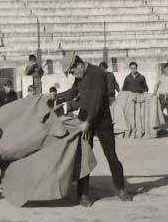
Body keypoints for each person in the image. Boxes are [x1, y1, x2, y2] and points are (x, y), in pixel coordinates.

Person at [55, 52, 132, 206]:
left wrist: (88, 122)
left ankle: (121, 188)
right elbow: (73, 92)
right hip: (85, 117)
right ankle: (83, 194)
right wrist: (55, 97)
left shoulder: (98, 73)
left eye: (72, 71)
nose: (72, 75)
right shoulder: (80, 75)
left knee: (111, 154)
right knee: (84, 156)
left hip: (101, 119)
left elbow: (96, 100)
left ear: (78, 64)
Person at [121, 62, 149, 138]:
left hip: (139, 98)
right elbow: (124, 88)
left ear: (137, 68)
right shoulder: (127, 77)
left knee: (138, 116)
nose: (133, 70)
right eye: (132, 68)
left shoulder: (141, 77)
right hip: (129, 99)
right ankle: (131, 132)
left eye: (134, 68)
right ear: (130, 68)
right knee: (130, 116)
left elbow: (146, 88)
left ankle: (139, 133)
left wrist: (142, 93)